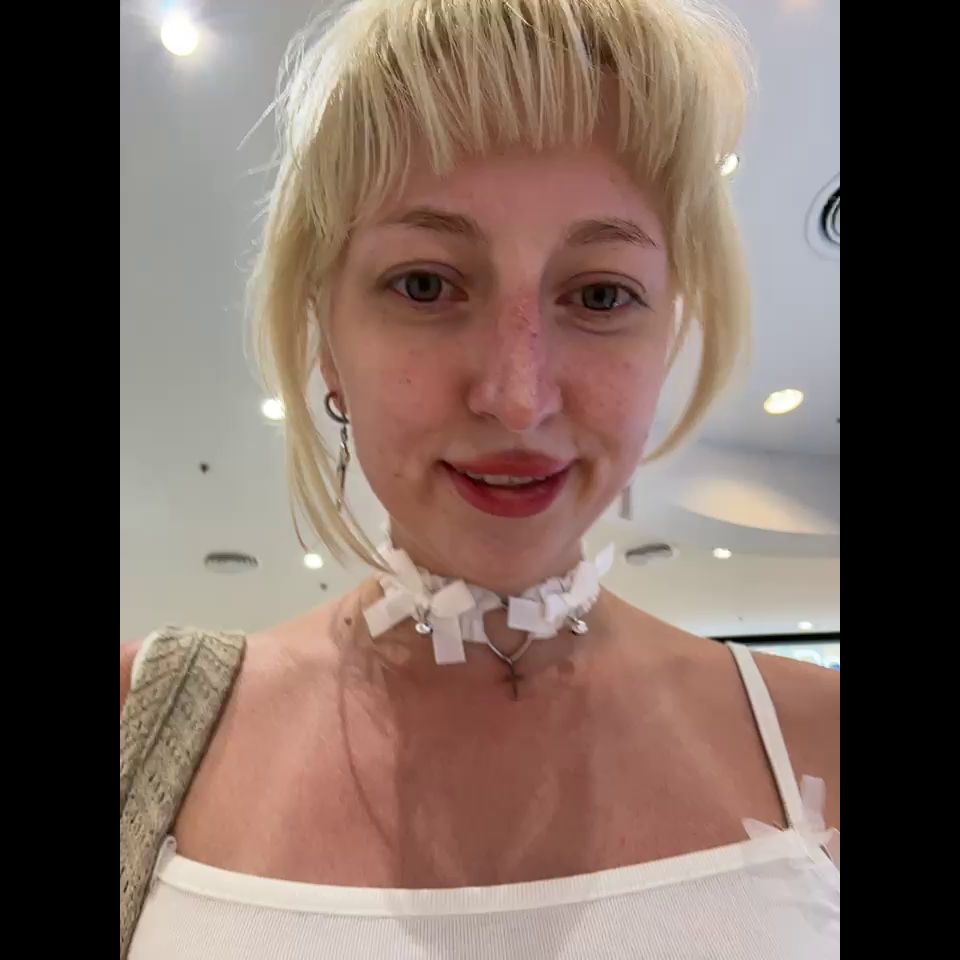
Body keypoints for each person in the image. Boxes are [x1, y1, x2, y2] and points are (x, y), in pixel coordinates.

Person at [120, 0, 839, 956]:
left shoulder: (819, 738)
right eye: (425, 284)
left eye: (600, 294)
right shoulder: (142, 719)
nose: (516, 397)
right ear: (327, 339)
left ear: (666, 331)